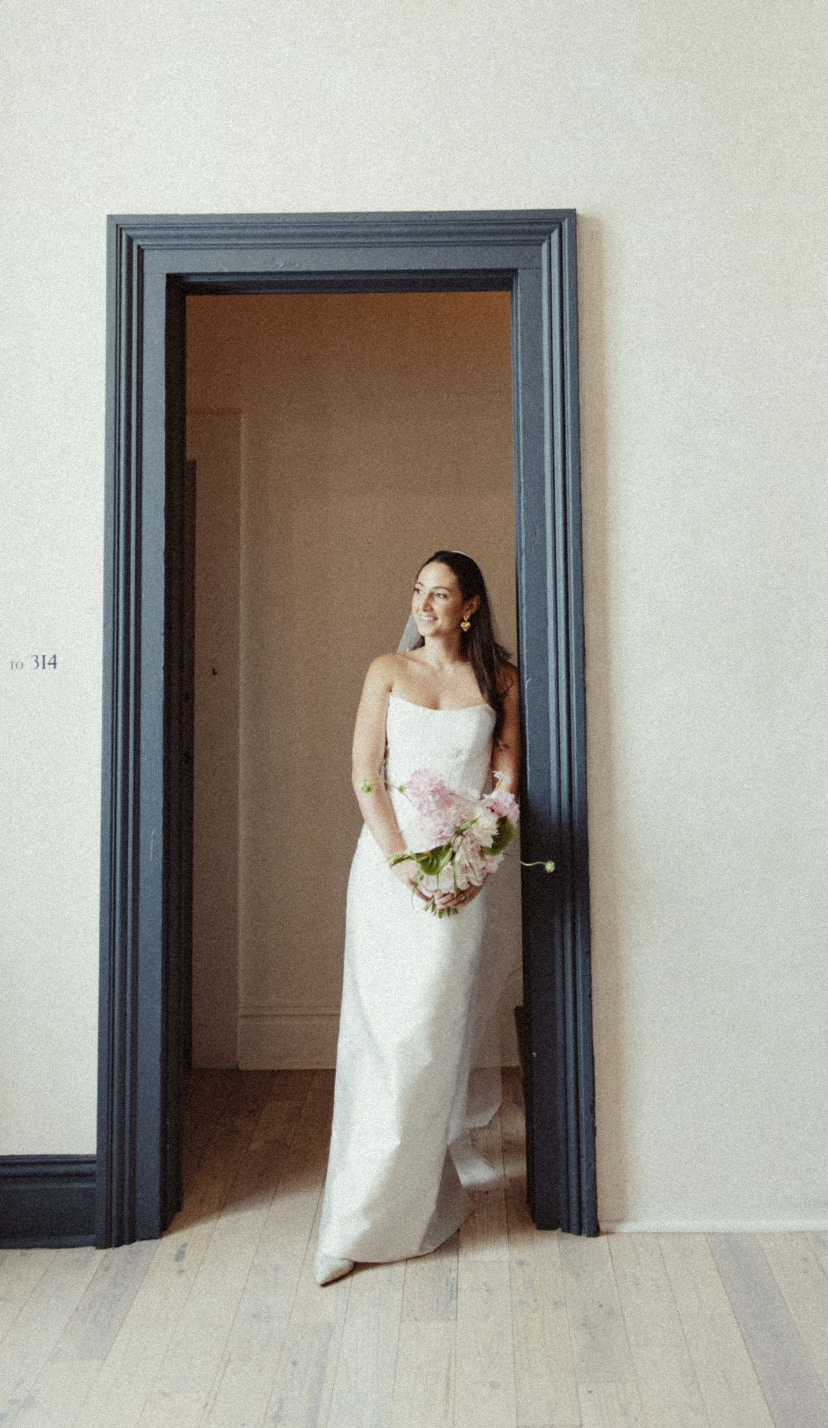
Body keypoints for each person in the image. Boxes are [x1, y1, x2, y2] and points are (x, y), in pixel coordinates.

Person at [313, 550, 521, 1285]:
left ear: (469, 606)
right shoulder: (388, 671)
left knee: (429, 1041)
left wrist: (474, 863)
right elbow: (365, 772)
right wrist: (403, 862)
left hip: (460, 886)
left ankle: (417, 1199)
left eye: (440, 594)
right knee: (382, 1039)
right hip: (386, 876)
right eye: (417, 591)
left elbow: (505, 783)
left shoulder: (498, 679)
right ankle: (357, 1222)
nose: (423, 604)